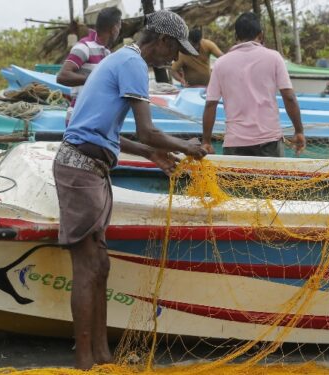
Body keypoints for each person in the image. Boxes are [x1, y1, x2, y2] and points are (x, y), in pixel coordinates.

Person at [54, 10, 206, 369]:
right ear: (163, 41)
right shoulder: (133, 64)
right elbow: (146, 131)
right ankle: (85, 362)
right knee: (88, 267)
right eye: (175, 50)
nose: (174, 58)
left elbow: (110, 134)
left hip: (92, 167)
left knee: (100, 265)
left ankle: (103, 356)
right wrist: (187, 146)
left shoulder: (121, 58)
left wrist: (152, 154)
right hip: (80, 169)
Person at [202, 12, 305, 157]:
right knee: (272, 180)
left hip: (235, 143)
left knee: (235, 181)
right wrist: (299, 130)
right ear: (261, 35)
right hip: (270, 142)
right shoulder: (274, 58)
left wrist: (206, 141)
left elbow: (210, 104)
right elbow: (289, 97)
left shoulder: (221, 63)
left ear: (236, 37)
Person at [57, 7, 122, 124]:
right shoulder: (84, 47)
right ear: (114, 28)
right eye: (119, 26)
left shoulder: (106, 52)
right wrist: (96, 79)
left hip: (96, 116)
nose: (119, 30)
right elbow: (63, 76)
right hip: (80, 117)